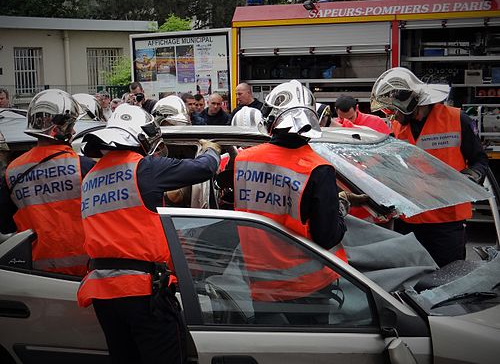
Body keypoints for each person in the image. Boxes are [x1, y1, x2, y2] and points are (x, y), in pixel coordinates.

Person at [77, 103, 221, 363]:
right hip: (141, 291)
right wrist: (211, 150)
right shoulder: (144, 168)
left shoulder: (91, 178)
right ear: (141, 139)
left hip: (102, 292)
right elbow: (204, 168)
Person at [233, 80, 348, 324]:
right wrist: (341, 208)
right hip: (307, 286)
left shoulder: (243, 159)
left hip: (260, 279)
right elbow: (327, 236)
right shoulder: (318, 169)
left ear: (271, 119)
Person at [371, 67, 489, 267]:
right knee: (409, 279)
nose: (392, 116)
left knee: (448, 280)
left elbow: (480, 161)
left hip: (446, 221)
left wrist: (469, 177)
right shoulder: (399, 127)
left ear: (409, 104)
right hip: (409, 219)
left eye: (393, 110)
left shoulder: (456, 119)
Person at [0, 89, 95, 275]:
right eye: (71, 125)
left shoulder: (12, 171)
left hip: (38, 275)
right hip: (86, 272)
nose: (74, 130)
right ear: (58, 128)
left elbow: (6, 226)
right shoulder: (83, 166)